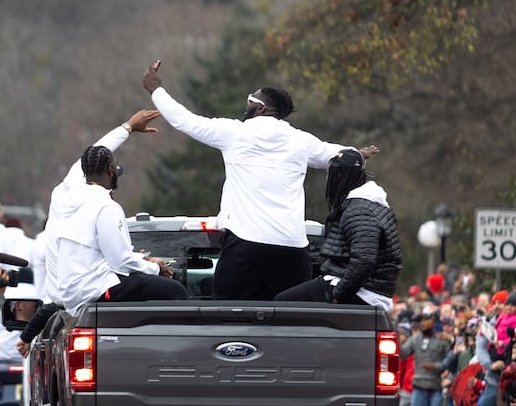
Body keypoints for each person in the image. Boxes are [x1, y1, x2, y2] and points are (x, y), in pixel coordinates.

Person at [142, 65, 377, 300]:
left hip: (246, 244)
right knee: (293, 321)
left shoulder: (234, 132)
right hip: (292, 248)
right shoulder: (301, 141)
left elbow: (186, 121)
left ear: (261, 107)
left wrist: (156, 90)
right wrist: (357, 153)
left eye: (250, 100)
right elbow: (334, 156)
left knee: (225, 315)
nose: (247, 105)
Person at [45, 134, 188, 310]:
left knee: (143, 284)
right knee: (175, 291)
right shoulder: (105, 206)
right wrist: (156, 269)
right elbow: (120, 262)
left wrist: (144, 261)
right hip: (94, 289)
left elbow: (103, 254)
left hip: (74, 291)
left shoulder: (70, 204)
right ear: (111, 169)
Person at [274, 148, 401, 307]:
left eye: (330, 175)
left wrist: (338, 295)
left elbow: (364, 260)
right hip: (363, 287)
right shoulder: (365, 204)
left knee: (282, 303)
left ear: (339, 176)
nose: (328, 180)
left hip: (364, 292)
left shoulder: (360, 211)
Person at [401, 307, 456, 406]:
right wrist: (395, 340)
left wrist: (436, 367)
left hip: (436, 388)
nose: (423, 323)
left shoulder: (442, 340)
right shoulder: (415, 339)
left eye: (427, 320)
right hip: (418, 386)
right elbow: (403, 354)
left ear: (434, 322)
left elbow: (450, 360)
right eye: (422, 320)